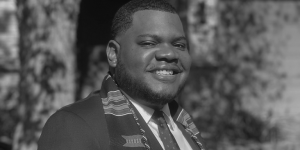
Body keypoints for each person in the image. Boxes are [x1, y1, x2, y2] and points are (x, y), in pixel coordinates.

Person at [38, 0, 206, 149]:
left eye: (179, 45)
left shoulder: (186, 126)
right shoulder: (75, 126)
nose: (169, 54)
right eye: (149, 43)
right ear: (113, 54)